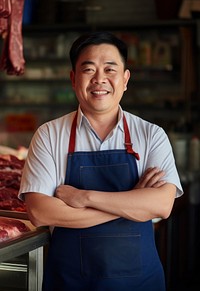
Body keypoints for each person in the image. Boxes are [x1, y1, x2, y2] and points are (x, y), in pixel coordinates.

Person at [19, 31, 183, 291]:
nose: (99, 79)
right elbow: (40, 212)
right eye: (88, 69)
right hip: (70, 282)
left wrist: (84, 198)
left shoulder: (151, 135)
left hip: (140, 283)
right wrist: (132, 201)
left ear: (125, 79)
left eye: (110, 69)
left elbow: (162, 205)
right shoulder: (49, 135)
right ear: (73, 79)